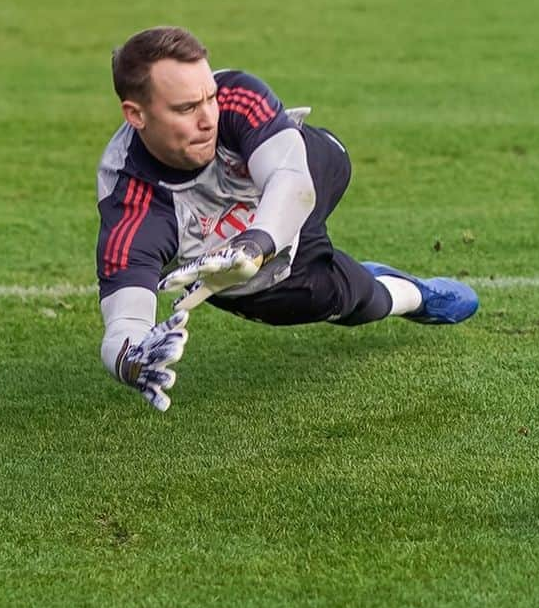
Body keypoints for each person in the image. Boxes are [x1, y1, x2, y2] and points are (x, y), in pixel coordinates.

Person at [95, 27, 479, 412]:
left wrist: (254, 244)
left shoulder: (235, 94)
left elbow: (291, 180)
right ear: (136, 114)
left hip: (284, 195)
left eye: (209, 97)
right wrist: (132, 361)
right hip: (243, 272)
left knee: (328, 157)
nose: (208, 117)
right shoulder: (131, 202)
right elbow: (124, 322)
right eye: (185, 109)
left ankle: (304, 259)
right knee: (352, 299)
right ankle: (414, 297)